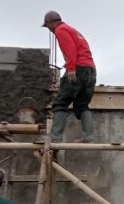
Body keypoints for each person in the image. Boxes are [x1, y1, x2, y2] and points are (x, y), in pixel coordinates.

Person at [41, 10, 97, 142]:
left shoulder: (61, 30)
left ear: (50, 23)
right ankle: (89, 136)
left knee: (60, 103)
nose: (49, 30)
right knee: (82, 105)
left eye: (47, 26)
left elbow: (70, 49)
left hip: (77, 68)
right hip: (90, 70)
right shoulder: (73, 30)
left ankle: (55, 137)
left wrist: (71, 69)